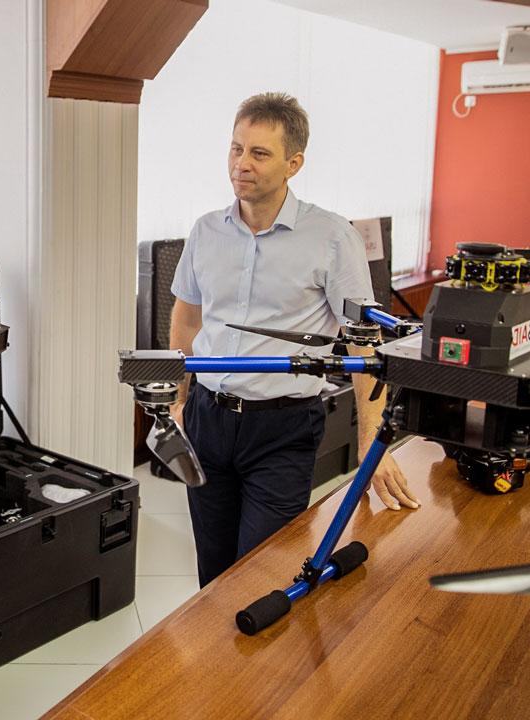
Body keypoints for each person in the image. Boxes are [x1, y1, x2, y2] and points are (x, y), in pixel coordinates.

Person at [169, 92, 421, 588]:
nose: (241, 164)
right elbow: (186, 322)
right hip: (206, 421)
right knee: (213, 573)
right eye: (236, 149)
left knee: (264, 572)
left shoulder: (332, 237)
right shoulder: (205, 231)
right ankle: (221, 667)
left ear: (293, 164)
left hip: (282, 431)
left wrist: (373, 440)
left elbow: (363, 346)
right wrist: (179, 404)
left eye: (259, 153)